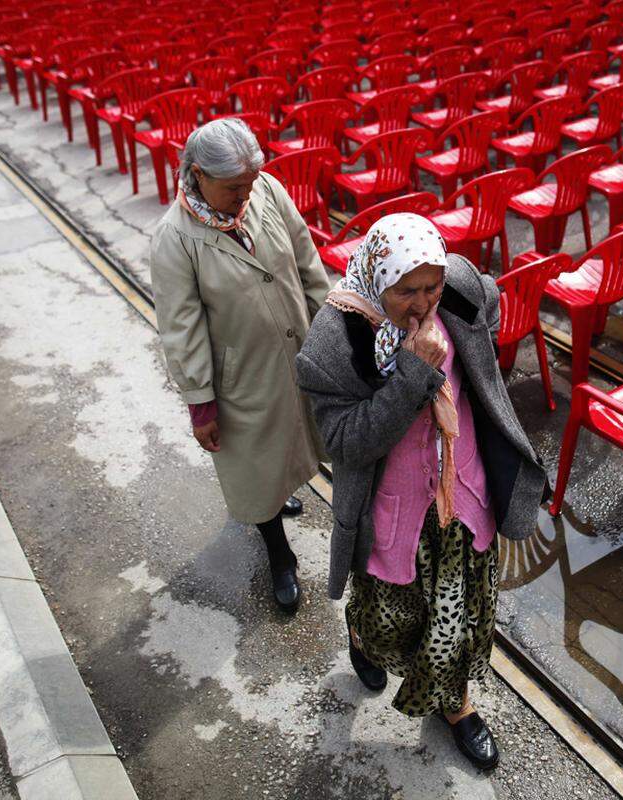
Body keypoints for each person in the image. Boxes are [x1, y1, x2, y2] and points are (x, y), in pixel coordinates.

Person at [295, 214, 546, 769]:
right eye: (406, 290)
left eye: (429, 288)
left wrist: (476, 347)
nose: (423, 302)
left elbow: (491, 303)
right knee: (392, 623)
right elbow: (346, 442)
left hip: (464, 493)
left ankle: (457, 705)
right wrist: (412, 372)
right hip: (394, 512)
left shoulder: (458, 286)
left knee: (460, 615)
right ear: (375, 276)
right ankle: (362, 635)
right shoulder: (334, 342)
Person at [149, 118, 330, 612]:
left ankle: (282, 494)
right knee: (255, 465)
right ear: (198, 174)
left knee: (297, 438)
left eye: (250, 183)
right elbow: (180, 328)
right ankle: (279, 554)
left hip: (297, 347)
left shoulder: (266, 189)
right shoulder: (175, 238)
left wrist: (335, 325)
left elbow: (307, 261)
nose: (244, 195)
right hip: (241, 375)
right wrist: (200, 403)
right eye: (233, 188)